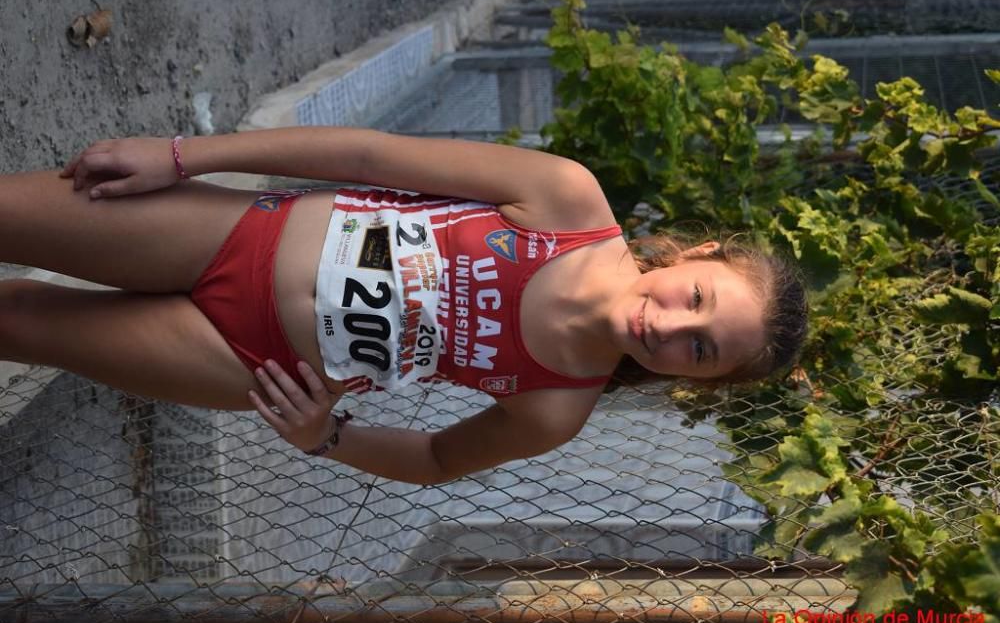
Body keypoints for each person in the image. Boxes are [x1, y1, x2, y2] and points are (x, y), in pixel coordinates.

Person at [0, 126, 807, 485]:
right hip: (228, 234)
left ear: (694, 380)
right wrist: (181, 157)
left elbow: (434, 463)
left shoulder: (556, 407)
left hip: (244, 360)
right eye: (695, 298)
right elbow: (367, 154)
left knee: (18, 325)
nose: (668, 325)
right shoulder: (567, 201)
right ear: (698, 256)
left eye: (699, 349)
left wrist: (327, 437)